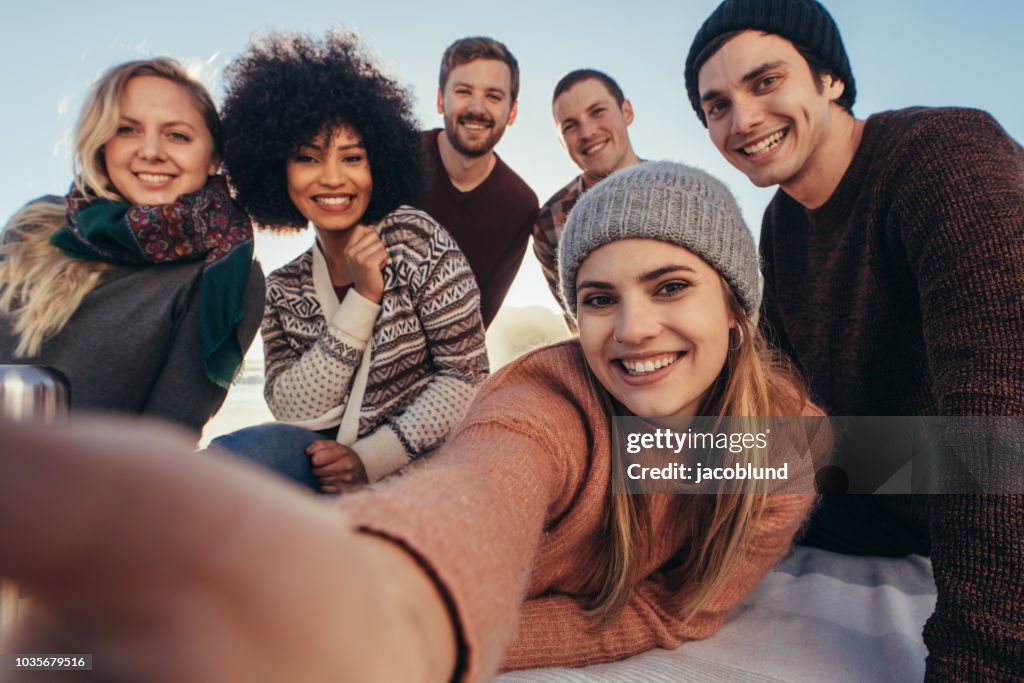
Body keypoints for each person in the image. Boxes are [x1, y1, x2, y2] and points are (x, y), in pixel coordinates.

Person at [0, 162, 826, 682]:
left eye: (672, 285)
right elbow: (484, 484)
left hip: (379, 464)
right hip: (369, 497)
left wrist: (480, 631)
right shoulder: (551, 403)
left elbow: (672, 613)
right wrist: (391, 600)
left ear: (737, 306)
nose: (634, 329)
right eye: (599, 299)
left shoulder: (780, 447)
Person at [684, 0, 1024, 678]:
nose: (741, 119)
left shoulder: (947, 157)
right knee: (661, 453)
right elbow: (781, 402)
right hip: (888, 479)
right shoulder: (780, 227)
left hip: (986, 470)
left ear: (829, 79)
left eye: (765, 81)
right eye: (716, 105)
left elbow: (999, 419)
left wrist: (978, 659)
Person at [211, 32, 489, 493]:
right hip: (316, 461)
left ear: (376, 163)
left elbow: (466, 376)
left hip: (425, 460)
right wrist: (363, 298)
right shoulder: (283, 286)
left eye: (352, 157)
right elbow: (292, 409)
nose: (334, 178)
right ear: (278, 171)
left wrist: (367, 460)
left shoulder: (417, 239)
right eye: (308, 158)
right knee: (222, 462)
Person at [0, 58, 264, 438]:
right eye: (127, 130)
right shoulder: (38, 222)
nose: (151, 151)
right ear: (102, 145)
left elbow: (166, 441)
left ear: (213, 159)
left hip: (81, 488)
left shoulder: (223, 272)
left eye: (178, 135)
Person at [417, 36, 538, 328]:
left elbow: (477, 320)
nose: (476, 108)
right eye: (463, 91)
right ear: (439, 100)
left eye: (493, 96)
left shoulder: (520, 205)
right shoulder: (395, 156)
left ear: (512, 113)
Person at [533, 69, 642, 313]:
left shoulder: (681, 192)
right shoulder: (550, 221)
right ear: (562, 142)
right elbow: (577, 320)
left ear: (627, 112)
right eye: (570, 126)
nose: (588, 132)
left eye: (598, 112)